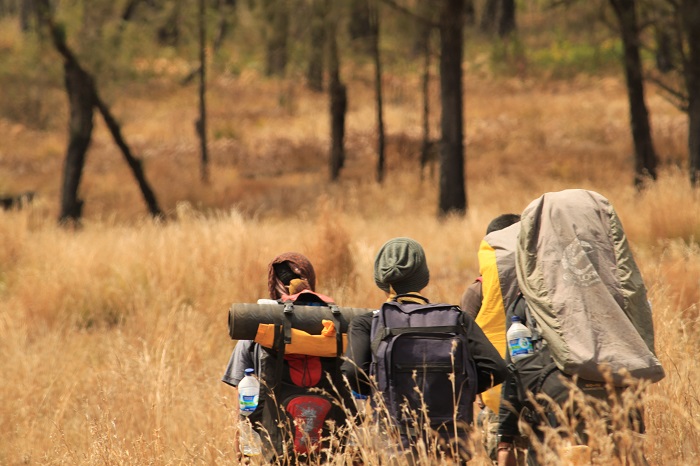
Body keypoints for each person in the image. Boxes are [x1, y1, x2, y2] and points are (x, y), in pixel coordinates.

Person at [342, 237, 508, 463]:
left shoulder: (367, 323)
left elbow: (352, 373)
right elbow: (496, 368)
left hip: (394, 443)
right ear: (424, 278)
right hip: (450, 443)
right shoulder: (455, 318)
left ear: (380, 280)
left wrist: (380, 386)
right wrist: (461, 386)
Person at [222, 252, 351, 464]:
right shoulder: (336, 330)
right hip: (330, 450)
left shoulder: (255, 334)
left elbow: (243, 408)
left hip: (275, 447)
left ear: (273, 285)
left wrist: (241, 455)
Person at [460, 213, 522, 464]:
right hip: (540, 394)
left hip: (495, 399)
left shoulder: (476, 290)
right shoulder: (541, 283)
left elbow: (464, 349)